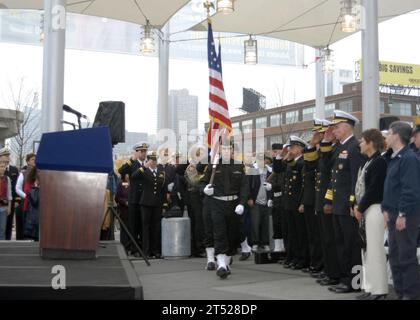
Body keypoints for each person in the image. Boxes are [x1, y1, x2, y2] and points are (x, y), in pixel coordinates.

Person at [324, 110, 366, 294]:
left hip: (348, 207)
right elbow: (331, 175)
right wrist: (330, 201)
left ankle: (354, 282)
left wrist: (353, 203)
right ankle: (344, 278)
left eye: (337, 127)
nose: (334, 131)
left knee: (351, 245)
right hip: (338, 206)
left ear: (348, 127)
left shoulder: (354, 147)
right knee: (340, 244)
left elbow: (356, 180)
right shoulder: (340, 148)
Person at [382, 121, 420, 300]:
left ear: (397, 135)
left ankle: (410, 295)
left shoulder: (409, 158)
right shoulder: (395, 157)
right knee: (395, 257)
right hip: (393, 214)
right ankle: (400, 293)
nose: (387, 137)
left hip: (404, 215)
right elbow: (391, 188)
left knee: (406, 257)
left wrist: (402, 214)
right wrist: (385, 209)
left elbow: (410, 189)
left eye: (389, 133)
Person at [201, 140, 249, 279]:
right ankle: (221, 264)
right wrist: (205, 189)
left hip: (233, 204)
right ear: (220, 150)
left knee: (232, 235)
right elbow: (203, 182)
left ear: (233, 151)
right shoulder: (214, 165)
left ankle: (226, 261)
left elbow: (244, 187)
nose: (227, 151)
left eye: (229, 148)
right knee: (219, 233)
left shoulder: (239, 166)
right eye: (224, 148)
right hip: (217, 204)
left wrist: (242, 203)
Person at [354, 129, 388, 300]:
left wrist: (359, 208)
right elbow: (360, 187)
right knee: (367, 251)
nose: (360, 143)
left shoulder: (380, 162)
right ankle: (370, 287)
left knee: (375, 251)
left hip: (375, 208)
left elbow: (374, 190)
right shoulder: (368, 162)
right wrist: (356, 205)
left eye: (362, 140)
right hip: (366, 208)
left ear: (370, 143)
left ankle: (380, 290)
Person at [273, 136, 309, 270]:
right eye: (290, 147)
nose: (290, 150)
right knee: (289, 232)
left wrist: (302, 202)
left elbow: (303, 181)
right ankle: (291, 256)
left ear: (300, 148)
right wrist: (279, 156)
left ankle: (301, 259)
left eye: (293, 147)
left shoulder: (303, 161)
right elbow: (277, 169)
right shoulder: (290, 161)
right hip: (287, 202)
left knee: (299, 233)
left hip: (297, 202)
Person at [314, 121, 341, 286]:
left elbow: (327, 172)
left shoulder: (337, 149)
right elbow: (320, 168)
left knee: (332, 240)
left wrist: (328, 199)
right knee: (326, 239)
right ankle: (330, 271)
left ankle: (334, 273)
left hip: (331, 199)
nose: (326, 136)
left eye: (328, 133)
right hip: (324, 199)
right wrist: (322, 144)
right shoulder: (329, 149)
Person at [131, 151, 169, 259]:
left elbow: (163, 190)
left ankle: (155, 251)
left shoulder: (162, 173)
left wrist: (164, 205)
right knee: (145, 227)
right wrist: (144, 167)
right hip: (146, 204)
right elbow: (133, 176)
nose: (153, 162)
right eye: (151, 160)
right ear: (149, 161)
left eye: (155, 160)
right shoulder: (144, 171)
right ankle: (146, 251)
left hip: (157, 204)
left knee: (156, 228)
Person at [300, 119, 324, 274]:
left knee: (322, 237)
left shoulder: (327, 151)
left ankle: (322, 265)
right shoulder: (316, 152)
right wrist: (311, 146)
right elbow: (309, 169)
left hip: (322, 199)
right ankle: (317, 264)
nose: (314, 135)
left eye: (318, 133)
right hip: (313, 198)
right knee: (313, 235)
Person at [118, 142, 148, 256]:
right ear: (137, 152)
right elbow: (121, 171)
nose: (144, 153)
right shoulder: (132, 164)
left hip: (144, 199)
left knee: (142, 225)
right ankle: (134, 249)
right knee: (133, 225)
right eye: (142, 151)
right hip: (134, 199)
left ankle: (142, 248)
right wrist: (131, 159)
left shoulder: (147, 163)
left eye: (145, 151)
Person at [248, 153, 271, 252]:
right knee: (255, 224)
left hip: (267, 201)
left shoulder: (270, 171)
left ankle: (265, 243)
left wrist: (271, 198)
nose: (261, 161)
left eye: (263, 159)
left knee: (265, 224)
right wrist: (249, 198)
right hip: (255, 201)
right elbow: (247, 185)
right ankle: (255, 243)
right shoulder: (253, 170)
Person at [266, 143, 286, 255]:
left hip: (283, 197)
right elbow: (270, 182)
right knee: (276, 223)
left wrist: (273, 187)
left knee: (283, 223)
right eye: (273, 152)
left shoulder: (284, 164)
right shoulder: (274, 166)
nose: (274, 154)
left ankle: (284, 247)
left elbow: (283, 183)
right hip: (276, 198)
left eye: (276, 151)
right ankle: (278, 247)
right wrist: (271, 197)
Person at [15, 153, 36, 240]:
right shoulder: (23, 173)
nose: (35, 161)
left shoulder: (39, 172)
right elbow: (17, 188)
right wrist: (26, 196)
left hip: (36, 203)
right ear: (27, 162)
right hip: (27, 203)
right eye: (32, 160)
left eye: (35, 159)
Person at [0, 148, 19, 240]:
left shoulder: (14, 169)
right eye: (5, 156)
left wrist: (17, 201)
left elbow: (16, 187)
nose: (7, 158)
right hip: (3, 201)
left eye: (8, 156)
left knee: (8, 223)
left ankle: (7, 241)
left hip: (9, 201)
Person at [23, 166, 40, 241]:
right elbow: (31, 196)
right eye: (39, 171)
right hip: (30, 208)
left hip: (40, 209)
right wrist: (36, 187)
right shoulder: (29, 181)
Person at [115, 174, 130, 251]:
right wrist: (125, 202)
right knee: (124, 230)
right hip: (124, 211)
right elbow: (117, 197)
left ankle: (132, 248)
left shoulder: (134, 183)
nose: (128, 175)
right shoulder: (121, 184)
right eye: (126, 174)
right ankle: (124, 248)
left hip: (134, 211)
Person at [0, 162, 12, 240]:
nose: (3, 168)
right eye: (1, 166)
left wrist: (9, 207)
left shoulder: (7, 178)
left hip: (4, 207)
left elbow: (9, 193)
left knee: (2, 229)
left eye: (4, 167)